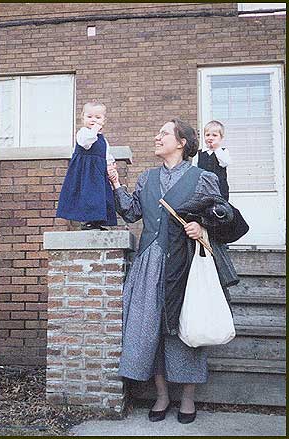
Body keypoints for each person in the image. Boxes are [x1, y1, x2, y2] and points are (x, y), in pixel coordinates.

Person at [107, 118, 238, 424]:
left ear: (181, 143)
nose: (157, 137)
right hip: (149, 265)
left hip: (184, 263)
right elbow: (131, 212)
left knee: (185, 328)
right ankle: (162, 396)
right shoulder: (147, 178)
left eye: (163, 133)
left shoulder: (202, 177)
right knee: (148, 329)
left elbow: (222, 213)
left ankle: (188, 398)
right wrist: (115, 183)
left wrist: (202, 224)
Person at [56, 100, 117, 230]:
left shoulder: (103, 139)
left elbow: (106, 155)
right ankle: (87, 221)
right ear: (83, 117)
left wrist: (110, 165)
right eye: (89, 117)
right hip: (85, 172)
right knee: (87, 195)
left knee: (100, 197)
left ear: (104, 120)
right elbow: (85, 143)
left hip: (98, 173)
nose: (93, 120)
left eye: (98, 117)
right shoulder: (83, 133)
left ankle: (97, 221)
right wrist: (95, 128)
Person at [197, 120, 231, 201]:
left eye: (214, 135)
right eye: (207, 135)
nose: (210, 138)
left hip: (220, 189)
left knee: (220, 210)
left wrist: (216, 148)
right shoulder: (199, 153)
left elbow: (224, 163)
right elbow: (195, 171)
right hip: (203, 190)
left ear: (221, 138)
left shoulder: (223, 151)